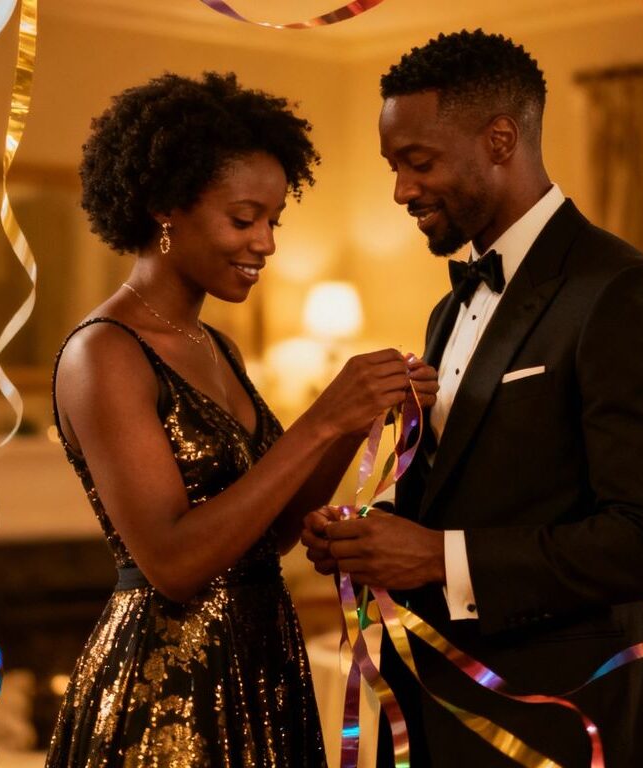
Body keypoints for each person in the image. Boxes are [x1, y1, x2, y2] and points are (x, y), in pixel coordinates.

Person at [45, 71, 438, 766]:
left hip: (260, 670)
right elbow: (172, 564)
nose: (266, 243)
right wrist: (320, 420)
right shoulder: (103, 353)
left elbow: (272, 533)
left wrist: (358, 416)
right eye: (243, 218)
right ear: (167, 207)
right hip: (167, 701)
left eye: (273, 220)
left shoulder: (213, 346)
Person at [302, 29, 643, 768]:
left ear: (499, 139)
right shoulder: (446, 309)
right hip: (435, 713)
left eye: (418, 162)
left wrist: (436, 558)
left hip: (556, 721)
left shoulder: (619, 291)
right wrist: (372, 535)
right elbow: (467, 496)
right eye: (394, 167)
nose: (400, 190)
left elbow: (639, 535)